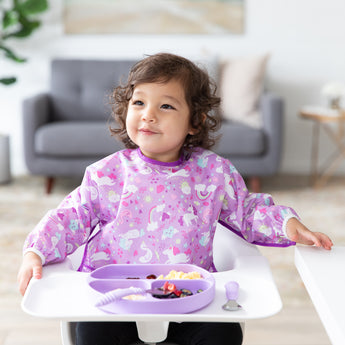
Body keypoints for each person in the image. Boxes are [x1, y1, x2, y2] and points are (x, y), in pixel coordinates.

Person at [17, 53, 333, 345]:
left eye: (165, 106)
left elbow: (246, 211)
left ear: (194, 121)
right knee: (92, 331)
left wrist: (287, 224)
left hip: (189, 295)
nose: (148, 115)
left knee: (223, 333)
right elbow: (70, 215)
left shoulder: (213, 172)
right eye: (139, 103)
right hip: (117, 294)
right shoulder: (106, 174)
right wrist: (36, 251)